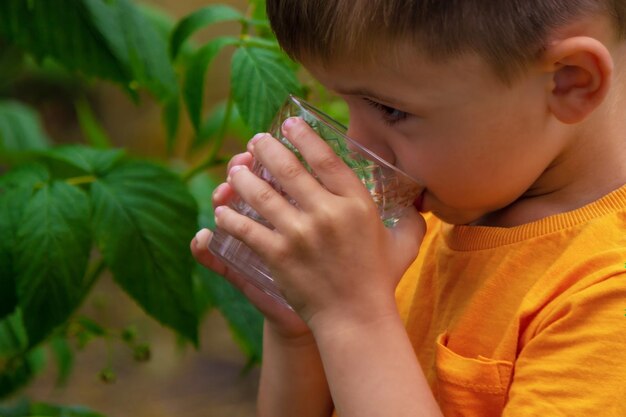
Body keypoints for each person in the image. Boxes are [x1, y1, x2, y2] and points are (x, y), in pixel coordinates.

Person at [191, 0, 626, 415]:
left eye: (390, 109)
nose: (359, 145)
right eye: (343, 102)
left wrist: (352, 317)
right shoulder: (443, 205)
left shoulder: (607, 297)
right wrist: (301, 331)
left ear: (569, 80)